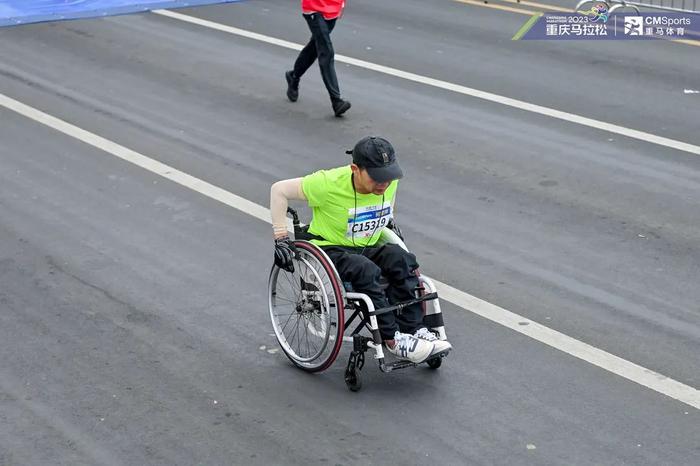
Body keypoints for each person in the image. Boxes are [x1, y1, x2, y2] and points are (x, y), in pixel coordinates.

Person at [270, 136, 452, 363]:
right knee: (365, 269)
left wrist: (387, 220)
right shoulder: (328, 183)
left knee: (402, 259)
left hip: (367, 244)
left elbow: (387, 205)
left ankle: (414, 330)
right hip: (330, 249)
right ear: (355, 169)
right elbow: (279, 190)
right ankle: (393, 340)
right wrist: (281, 239)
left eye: (388, 176)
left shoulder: (389, 182)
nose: (384, 184)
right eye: (377, 178)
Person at [285, 0, 351, 117]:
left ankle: (294, 76)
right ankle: (336, 100)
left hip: (333, 9)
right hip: (314, 8)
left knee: (314, 48)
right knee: (326, 51)